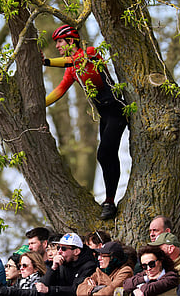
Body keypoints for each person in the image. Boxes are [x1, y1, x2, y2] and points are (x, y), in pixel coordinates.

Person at [43, 25, 128, 220]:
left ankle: (109, 201)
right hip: (104, 114)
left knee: (104, 152)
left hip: (116, 110)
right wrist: (39, 105)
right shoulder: (71, 69)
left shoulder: (89, 53)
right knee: (104, 157)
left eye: (59, 41)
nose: (57, 46)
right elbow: (59, 90)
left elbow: (74, 60)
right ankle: (110, 200)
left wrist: (46, 61)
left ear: (71, 41)